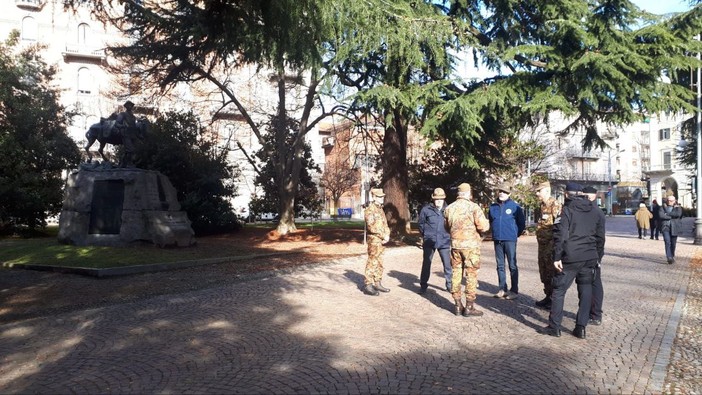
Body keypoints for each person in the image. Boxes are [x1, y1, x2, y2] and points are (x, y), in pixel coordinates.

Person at [539, 182, 605, 339]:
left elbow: (561, 235)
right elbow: (600, 238)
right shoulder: (596, 211)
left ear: (567, 195)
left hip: (571, 257)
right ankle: (581, 327)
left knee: (559, 290)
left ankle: (554, 326)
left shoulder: (567, 210)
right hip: (589, 256)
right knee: (586, 290)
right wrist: (598, 257)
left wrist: (556, 257)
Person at [444, 183, 490, 316]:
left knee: (456, 273)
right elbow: (483, 226)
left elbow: (447, 227)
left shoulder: (449, 208)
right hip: (471, 247)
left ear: (458, 194)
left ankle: (457, 305)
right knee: (471, 275)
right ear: (469, 193)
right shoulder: (474, 207)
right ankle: (469, 306)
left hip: (456, 245)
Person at [488, 182, 526, 300]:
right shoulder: (492, 207)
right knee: (500, 265)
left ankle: (514, 290)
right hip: (497, 240)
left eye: (504, 192)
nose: (502, 194)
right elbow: (491, 221)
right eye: (500, 191)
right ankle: (502, 289)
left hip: (510, 239)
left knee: (512, 265)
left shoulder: (515, 207)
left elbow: (521, 224)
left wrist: (515, 234)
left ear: (509, 193)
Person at [417, 187, 452, 294]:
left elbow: (452, 225)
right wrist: (427, 235)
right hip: (429, 241)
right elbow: (421, 224)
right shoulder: (426, 209)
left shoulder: (449, 209)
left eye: (440, 199)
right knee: (426, 264)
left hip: (444, 241)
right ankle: (423, 285)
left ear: (444, 199)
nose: (438, 201)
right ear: (433, 199)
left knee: (447, 265)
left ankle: (449, 285)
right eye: (436, 199)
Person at [534, 181, 561, 310]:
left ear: (546, 191)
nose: (537, 193)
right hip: (542, 246)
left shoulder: (555, 205)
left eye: (539, 191)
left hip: (551, 246)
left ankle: (553, 300)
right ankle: (547, 295)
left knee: (551, 272)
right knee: (544, 271)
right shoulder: (542, 206)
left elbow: (559, 226)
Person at [583, 186, 606, 326]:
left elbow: (600, 237)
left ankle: (596, 313)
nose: (587, 198)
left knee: (595, 282)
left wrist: (599, 256)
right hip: (584, 251)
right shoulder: (584, 210)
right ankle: (589, 313)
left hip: (592, 252)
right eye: (585, 195)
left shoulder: (597, 212)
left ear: (595, 196)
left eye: (589, 196)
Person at [362, 188, 391, 295]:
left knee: (380, 261)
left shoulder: (380, 209)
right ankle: (368, 285)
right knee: (372, 261)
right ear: (374, 197)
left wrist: (387, 234)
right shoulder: (370, 210)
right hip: (374, 240)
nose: (382, 198)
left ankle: (378, 283)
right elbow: (371, 227)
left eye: (382, 196)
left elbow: (385, 224)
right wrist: (383, 236)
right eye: (379, 196)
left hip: (381, 240)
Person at [659, 194, 683, 264]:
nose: (670, 202)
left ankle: (672, 255)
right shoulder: (662, 207)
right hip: (665, 227)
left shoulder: (678, 207)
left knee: (673, 243)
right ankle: (669, 257)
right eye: (669, 200)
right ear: (667, 200)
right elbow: (661, 216)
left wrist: (667, 214)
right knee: (667, 241)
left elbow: (678, 214)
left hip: (675, 227)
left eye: (671, 201)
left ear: (674, 201)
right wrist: (670, 216)